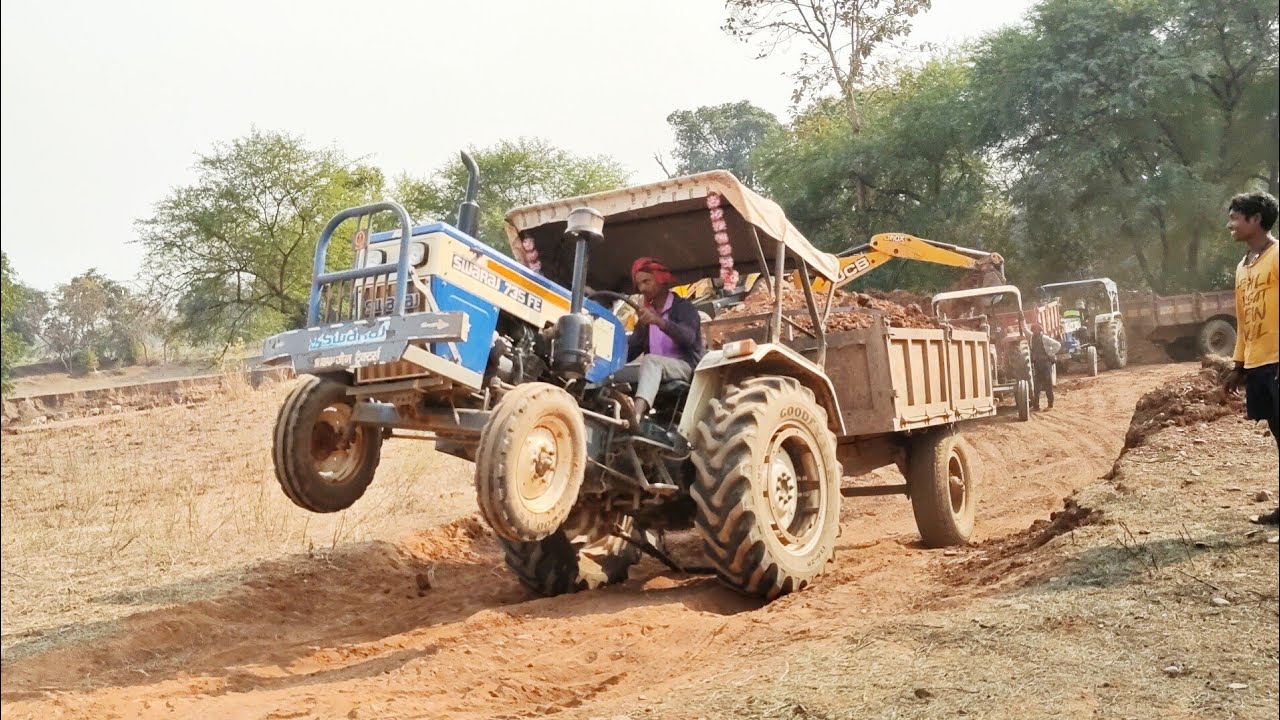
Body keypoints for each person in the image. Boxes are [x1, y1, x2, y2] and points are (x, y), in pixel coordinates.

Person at [1220, 191, 1279, 525]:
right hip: (1258, 364)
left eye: (1235, 217)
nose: (1230, 224)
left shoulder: (1277, 255)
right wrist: (1238, 365)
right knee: (1277, 434)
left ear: (1255, 219)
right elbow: (1243, 320)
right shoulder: (1242, 267)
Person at [612, 257, 705, 429]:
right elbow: (632, 348)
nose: (642, 288)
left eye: (646, 281)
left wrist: (659, 322)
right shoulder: (647, 316)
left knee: (651, 361)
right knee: (613, 373)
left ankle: (636, 417)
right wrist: (609, 358)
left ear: (661, 279)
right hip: (656, 370)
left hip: (685, 368)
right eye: (639, 284)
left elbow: (688, 337)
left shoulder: (684, 308)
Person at [1030, 322, 1062, 411]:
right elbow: (1024, 330)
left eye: (1037, 329)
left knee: (1048, 384)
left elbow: (1057, 345)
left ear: (1040, 330)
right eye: (1033, 329)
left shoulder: (1044, 338)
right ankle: (1036, 405)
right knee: (1036, 386)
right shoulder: (1031, 338)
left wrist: (1050, 354)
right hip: (1037, 365)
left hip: (1046, 364)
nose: (1035, 331)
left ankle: (1050, 404)